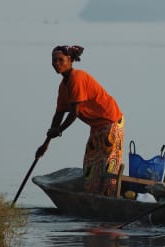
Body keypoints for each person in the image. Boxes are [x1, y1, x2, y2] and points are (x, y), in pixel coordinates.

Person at [36, 45, 124, 197]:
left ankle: (108, 197)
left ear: (70, 60)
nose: (56, 63)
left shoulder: (78, 78)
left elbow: (74, 113)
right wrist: (46, 144)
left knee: (108, 165)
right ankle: (93, 197)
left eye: (60, 60)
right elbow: (59, 115)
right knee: (90, 165)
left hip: (111, 121)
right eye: (54, 60)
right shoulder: (63, 87)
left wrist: (59, 130)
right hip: (96, 126)